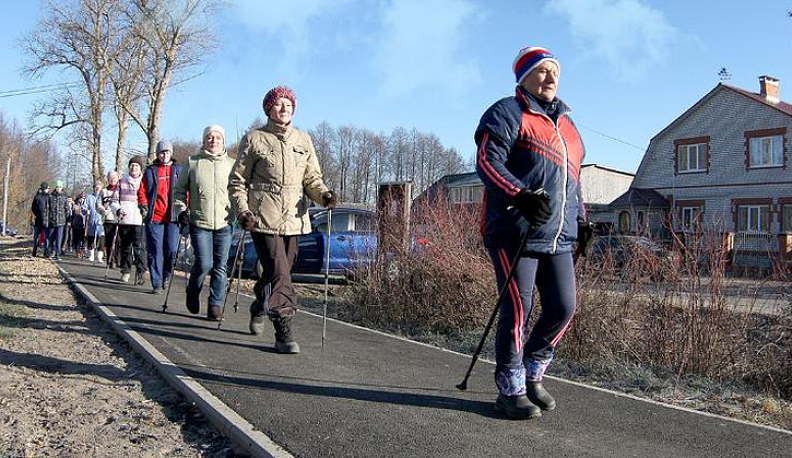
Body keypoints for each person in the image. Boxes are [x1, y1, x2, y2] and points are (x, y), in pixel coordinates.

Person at [474, 46, 592, 420]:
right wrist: (519, 195)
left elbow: (572, 180)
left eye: (555, 70)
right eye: (541, 70)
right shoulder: (507, 112)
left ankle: (533, 369)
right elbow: (487, 162)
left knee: (563, 307)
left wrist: (582, 219)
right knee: (518, 309)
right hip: (515, 230)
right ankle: (510, 388)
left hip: (558, 235)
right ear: (522, 77)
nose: (551, 77)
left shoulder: (568, 128)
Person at [229, 85, 336, 354]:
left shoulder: (303, 140)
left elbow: (312, 179)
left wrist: (323, 196)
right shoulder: (254, 139)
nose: (284, 108)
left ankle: (259, 305)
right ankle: (283, 330)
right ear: (269, 108)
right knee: (278, 271)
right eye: (279, 104)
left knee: (282, 272)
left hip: (295, 219)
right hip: (262, 217)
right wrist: (243, 211)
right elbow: (237, 181)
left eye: (289, 104)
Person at [173, 125, 235, 320]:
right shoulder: (193, 163)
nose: (213, 140)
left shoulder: (232, 164)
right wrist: (181, 211)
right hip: (200, 221)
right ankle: (193, 290)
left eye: (217, 137)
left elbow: (240, 191)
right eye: (209, 137)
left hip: (225, 222)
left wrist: (243, 213)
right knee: (204, 263)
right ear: (204, 140)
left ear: (223, 141)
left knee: (221, 266)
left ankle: (215, 305)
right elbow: (179, 191)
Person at [138, 141, 182, 294]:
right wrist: (143, 204)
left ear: (171, 153)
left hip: (173, 217)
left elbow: (185, 190)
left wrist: (185, 208)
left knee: (171, 249)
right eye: (161, 152)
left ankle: (167, 275)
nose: (164, 155)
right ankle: (156, 283)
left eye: (167, 152)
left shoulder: (178, 170)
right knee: (155, 250)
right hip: (154, 217)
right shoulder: (150, 171)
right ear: (157, 154)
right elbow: (142, 190)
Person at [116, 156, 148, 284]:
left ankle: (141, 272)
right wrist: (118, 209)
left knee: (139, 247)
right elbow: (115, 199)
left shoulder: (145, 182)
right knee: (125, 247)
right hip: (125, 219)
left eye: (136, 166)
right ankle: (126, 270)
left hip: (139, 220)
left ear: (140, 168)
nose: (134, 168)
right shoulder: (122, 181)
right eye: (132, 165)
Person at [97, 171, 121, 268]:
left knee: (119, 241)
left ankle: (118, 259)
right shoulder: (103, 191)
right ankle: (110, 261)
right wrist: (103, 210)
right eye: (111, 178)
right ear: (107, 179)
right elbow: (98, 204)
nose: (113, 180)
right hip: (108, 219)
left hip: (119, 220)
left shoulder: (120, 191)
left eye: (114, 178)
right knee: (110, 241)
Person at [83, 179, 106, 263]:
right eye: (96, 187)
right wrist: (85, 211)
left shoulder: (104, 197)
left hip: (102, 221)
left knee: (102, 238)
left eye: (99, 187)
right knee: (91, 237)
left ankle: (100, 256)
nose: (97, 188)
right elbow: (84, 207)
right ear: (94, 188)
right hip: (92, 220)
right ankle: (91, 255)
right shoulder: (89, 197)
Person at [47, 180, 70, 260]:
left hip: (61, 221)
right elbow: (48, 208)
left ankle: (57, 253)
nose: (58, 188)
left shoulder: (64, 197)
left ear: (62, 187)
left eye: (60, 187)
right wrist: (48, 218)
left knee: (59, 237)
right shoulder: (51, 196)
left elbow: (67, 208)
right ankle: (52, 251)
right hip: (52, 220)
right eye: (57, 187)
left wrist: (67, 218)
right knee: (51, 237)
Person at [30, 182, 50, 257]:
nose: (48, 190)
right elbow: (33, 208)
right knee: (46, 236)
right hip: (45, 220)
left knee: (37, 236)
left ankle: (35, 250)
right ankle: (46, 251)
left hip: (39, 219)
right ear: (45, 188)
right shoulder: (48, 197)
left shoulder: (37, 197)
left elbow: (33, 208)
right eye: (48, 188)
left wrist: (37, 214)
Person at [71, 193, 87, 258]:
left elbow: (87, 215)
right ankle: (77, 251)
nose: (82, 200)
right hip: (76, 225)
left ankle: (82, 250)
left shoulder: (85, 206)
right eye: (81, 198)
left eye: (83, 198)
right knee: (76, 239)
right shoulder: (75, 205)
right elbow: (71, 215)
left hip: (83, 225)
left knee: (83, 239)